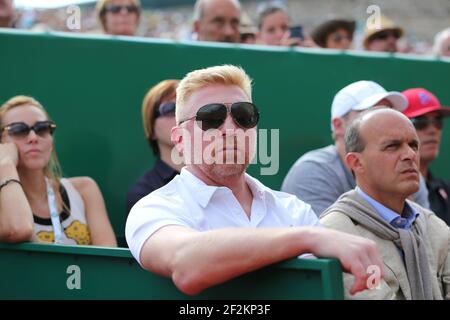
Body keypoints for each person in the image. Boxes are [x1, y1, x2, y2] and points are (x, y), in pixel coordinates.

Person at [126, 64, 383, 296]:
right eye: (211, 118)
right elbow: (186, 265)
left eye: (243, 115)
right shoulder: (154, 208)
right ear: (180, 139)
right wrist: (308, 238)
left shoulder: (293, 210)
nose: (230, 129)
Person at [320, 108, 450, 300]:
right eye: (392, 146)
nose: (409, 155)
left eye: (413, 145)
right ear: (356, 162)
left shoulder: (433, 226)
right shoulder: (336, 233)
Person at [282, 80, 429, 215]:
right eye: (372, 113)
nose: (386, 121)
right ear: (338, 126)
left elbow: (428, 238)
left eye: (389, 111)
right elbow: (326, 240)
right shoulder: (312, 172)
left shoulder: (406, 169)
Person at [0, 96, 117, 246]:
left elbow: (107, 260)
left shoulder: (84, 190)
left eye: (42, 128)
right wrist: (5, 164)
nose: (33, 137)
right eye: (18, 130)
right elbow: (18, 229)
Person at [126, 80, 183, 216]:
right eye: (170, 109)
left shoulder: (223, 177)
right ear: (151, 130)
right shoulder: (144, 194)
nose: (181, 116)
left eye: (186, 108)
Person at [402, 88, 450, 226]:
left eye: (438, 121)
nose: (432, 130)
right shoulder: (381, 191)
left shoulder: (445, 189)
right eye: (420, 122)